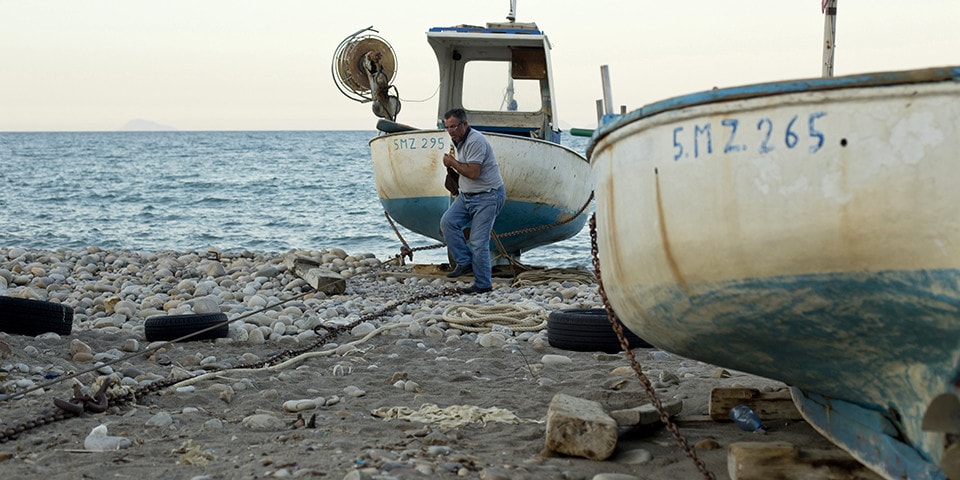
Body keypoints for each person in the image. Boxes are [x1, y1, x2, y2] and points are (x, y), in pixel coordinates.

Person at [439, 108, 506, 294]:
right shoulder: (457, 140)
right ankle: (464, 262)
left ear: (464, 124)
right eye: (447, 127)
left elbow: (474, 173)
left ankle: (483, 284)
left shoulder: (476, 141)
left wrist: (452, 163)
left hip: (488, 196)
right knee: (448, 222)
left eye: (453, 126)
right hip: (467, 196)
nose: (450, 131)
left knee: (478, 242)